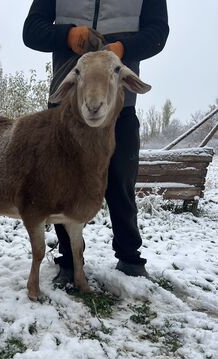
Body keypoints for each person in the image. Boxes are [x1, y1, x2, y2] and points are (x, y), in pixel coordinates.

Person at [23, 0, 169, 283]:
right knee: (59, 184)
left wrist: (123, 49)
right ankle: (68, 261)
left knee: (121, 180)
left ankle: (130, 260)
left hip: (118, 108)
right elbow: (31, 31)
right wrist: (67, 35)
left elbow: (158, 32)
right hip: (67, 106)